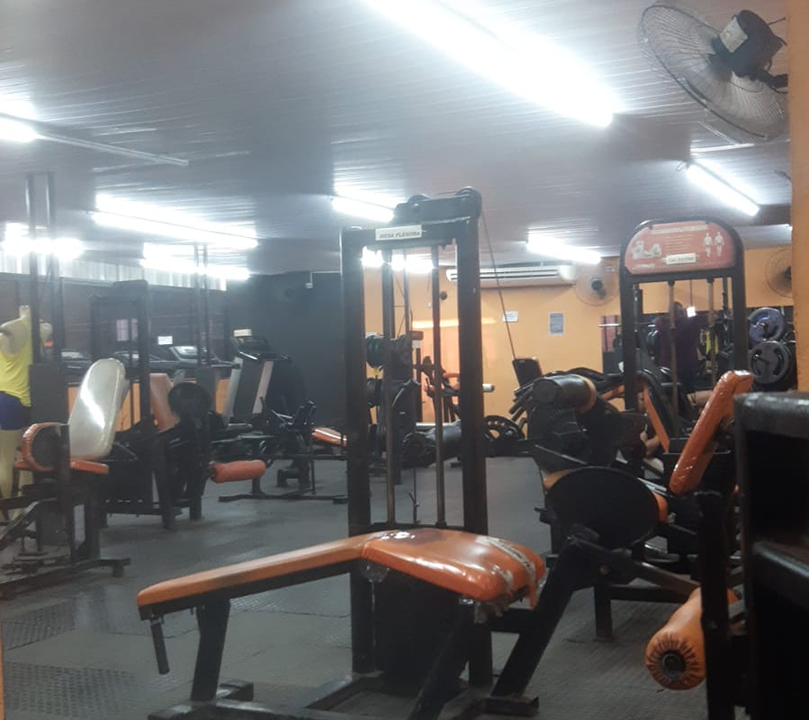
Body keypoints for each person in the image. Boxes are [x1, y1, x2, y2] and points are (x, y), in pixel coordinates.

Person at [0, 306, 52, 502]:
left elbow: (6, 327)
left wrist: (24, 319)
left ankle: (4, 512)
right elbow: (48, 326)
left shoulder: (11, 330)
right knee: (25, 459)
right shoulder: (40, 330)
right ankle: (20, 510)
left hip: (7, 398)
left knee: (5, 459)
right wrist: (31, 320)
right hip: (28, 400)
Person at [654, 302, 706, 393]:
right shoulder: (689, 322)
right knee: (688, 392)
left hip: (667, 366)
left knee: (670, 392)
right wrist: (688, 312)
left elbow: (658, 319)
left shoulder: (662, 323)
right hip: (687, 366)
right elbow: (696, 319)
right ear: (681, 312)